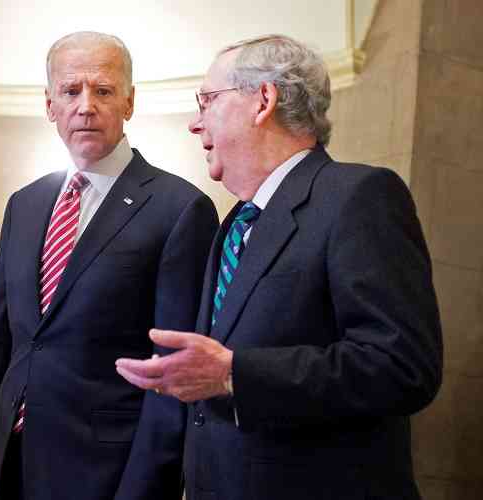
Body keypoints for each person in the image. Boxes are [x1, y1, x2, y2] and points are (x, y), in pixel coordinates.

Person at [116, 34, 442, 500]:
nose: (194, 123)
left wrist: (234, 374)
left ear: (263, 100)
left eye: (207, 101)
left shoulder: (360, 197)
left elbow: (402, 366)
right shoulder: (234, 222)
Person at [0, 31, 218, 500]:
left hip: (107, 473)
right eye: (71, 91)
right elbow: (1, 345)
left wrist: (146, 489)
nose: (86, 105)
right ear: (50, 106)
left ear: (129, 103)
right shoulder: (24, 204)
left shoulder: (180, 209)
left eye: (103, 91)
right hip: (15, 464)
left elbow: (173, 372)